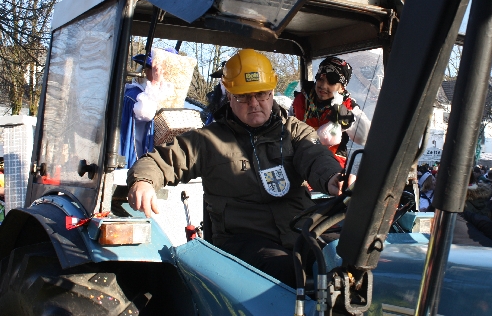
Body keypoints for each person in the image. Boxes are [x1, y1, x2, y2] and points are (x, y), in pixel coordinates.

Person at [127, 49, 347, 287]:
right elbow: (161, 161)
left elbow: (315, 156)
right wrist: (144, 181)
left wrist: (334, 177)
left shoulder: (294, 131)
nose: (254, 104)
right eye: (243, 97)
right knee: (290, 273)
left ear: (272, 93)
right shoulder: (208, 140)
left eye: (261, 94)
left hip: (300, 229)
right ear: (230, 96)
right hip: (244, 239)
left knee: (347, 255)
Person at [291, 56, 370, 167]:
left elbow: (365, 138)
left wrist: (348, 119)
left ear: (342, 87)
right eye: (320, 79)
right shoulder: (301, 99)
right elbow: (288, 127)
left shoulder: (348, 105)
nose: (323, 86)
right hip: (299, 160)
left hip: (330, 166)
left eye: (331, 82)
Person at [120, 47, 178, 169]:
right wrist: (155, 83)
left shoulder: (151, 93)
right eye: (159, 71)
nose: (162, 77)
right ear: (147, 71)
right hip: (134, 153)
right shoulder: (135, 95)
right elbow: (146, 113)